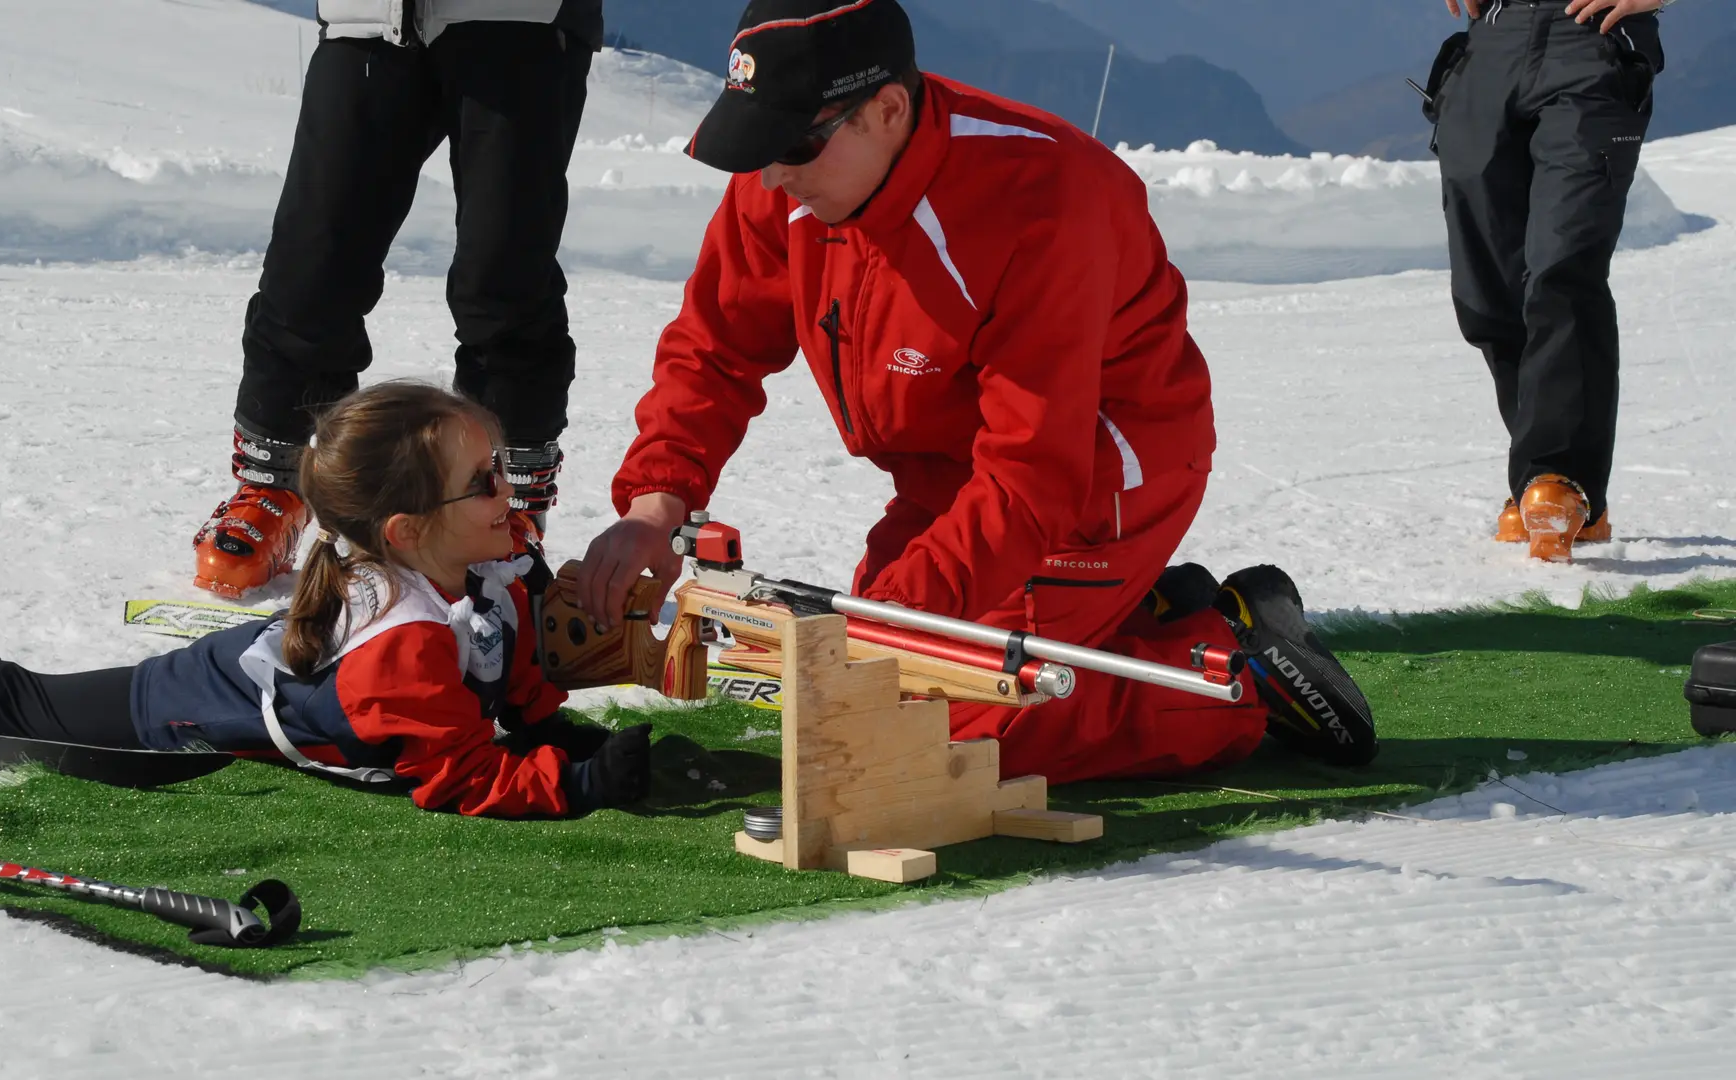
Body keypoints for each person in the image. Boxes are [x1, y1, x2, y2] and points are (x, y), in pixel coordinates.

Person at [577, 0, 1378, 782]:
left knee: (943, 725)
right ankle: (1130, 613)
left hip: (1097, 478)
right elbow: (715, 348)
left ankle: (1234, 673)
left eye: (793, 143)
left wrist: (882, 623)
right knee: (848, 693)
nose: (774, 172)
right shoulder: (788, 181)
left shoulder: (1041, 199)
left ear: (887, 109)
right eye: (761, 144)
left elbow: (1034, 476)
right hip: (953, 478)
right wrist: (658, 503)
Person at [0, 384, 652, 818]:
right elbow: (455, 778)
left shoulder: (484, 571)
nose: (512, 491)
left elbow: (502, 672)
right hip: (179, 710)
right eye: (486, 482)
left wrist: (551, 726)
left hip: (272, 670)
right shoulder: (405, 645)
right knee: (18, 701)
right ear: (407, 529)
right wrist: (577, 785)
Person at [193, 0, 604, 598]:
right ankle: (272, 483)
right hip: (368, 16)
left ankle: (504, 506)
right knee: (312, 259)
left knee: (504, 274)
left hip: (519, 18)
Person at [1433, 0, 1674, 560]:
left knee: (1562, 266)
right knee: (1485, 288)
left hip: (1593, 38)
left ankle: (1559, 478)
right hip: (1492, 37)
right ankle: (1554, 489)